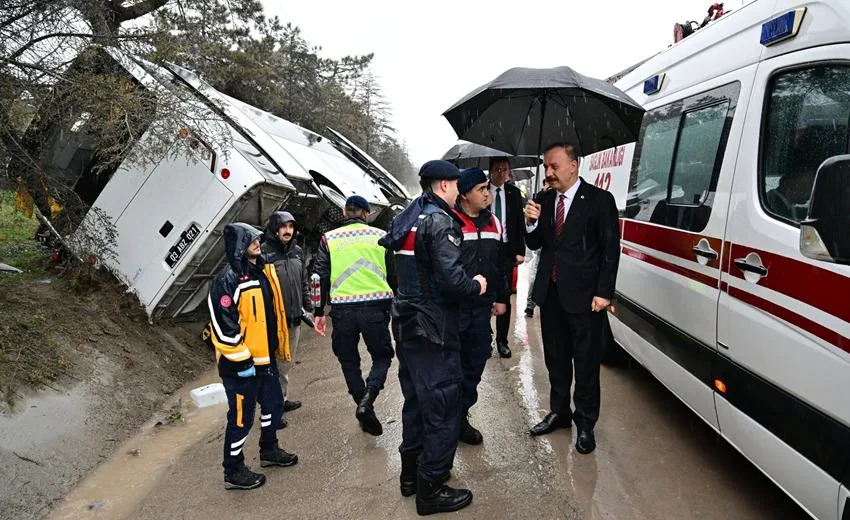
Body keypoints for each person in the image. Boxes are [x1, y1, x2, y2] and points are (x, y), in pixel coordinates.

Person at [380, 160, 486, 515]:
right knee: (442, 406)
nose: (458, 191)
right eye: (455, 184)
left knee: (415, 402)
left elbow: (393, 274)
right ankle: (432, 488)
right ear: (444, 185)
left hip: (406, 325)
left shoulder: (404, 219)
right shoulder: (440, 222)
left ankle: (410, 477)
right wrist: (477, 285)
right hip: (434, 330)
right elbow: (453, 283)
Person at [524, 143, 620, 455]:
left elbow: (609, 250)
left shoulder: (599, 200)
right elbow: (536, 243)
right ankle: (559, 413)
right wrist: (531, 222)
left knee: (587, 365)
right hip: (551, 295)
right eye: (546, 167)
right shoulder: (543, 199)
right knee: (556, 359)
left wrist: (604, 292)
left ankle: (586, 423)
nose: (548, 173)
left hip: (586, 299)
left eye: (554, 167)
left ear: (574, 165)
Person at [207, 223, 298, 490]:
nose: (257, 243)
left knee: (273, 406)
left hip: (266, 360)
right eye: (250, 240)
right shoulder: (227, 280)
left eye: (258, 238)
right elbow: (223, 326)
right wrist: (242, 359)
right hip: (240, 367)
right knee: (241, 419)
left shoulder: (262, 270)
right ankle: (233, 471)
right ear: (238, 244)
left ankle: (269, 450)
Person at [312, 195, 395, 437]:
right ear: (366, 214)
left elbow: (318, 277)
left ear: (345, 213)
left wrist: (318, 312)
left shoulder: (329, 239)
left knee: (349, 362)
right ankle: (367, 401)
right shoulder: (380, 236)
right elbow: (394, 273)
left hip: (343, 310)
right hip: (376, 307)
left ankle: (362, 405)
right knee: (381, 357)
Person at [452, 168, 509, 445]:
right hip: (454, 310)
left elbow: (500, 263)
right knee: (451, 367)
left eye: (488, 187)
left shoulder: (494, 223)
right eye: (481, 189)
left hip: (481, 311)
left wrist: (501, 297)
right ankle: (449, 420)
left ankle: (461, 414)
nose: (488, 193)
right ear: (463, 194)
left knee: (475, 364)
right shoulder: (449, 222)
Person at [262, 211, 310, 429]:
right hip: (274, 322)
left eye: (291, 226)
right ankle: (272, 411)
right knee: (274, 366)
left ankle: (281, 399)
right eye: (283, 227)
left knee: (286, 363)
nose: (287, 231)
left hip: (294, 318)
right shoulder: (264, 255)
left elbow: (303, 280)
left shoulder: (297, 252)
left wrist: (308, 305)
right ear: (274, 229)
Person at [489, 157, 526, 358]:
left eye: (505, 169)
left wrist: (521, 251)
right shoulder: (482, 191)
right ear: (491, 171)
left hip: (506, 249)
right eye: (498, 169)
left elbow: (519, 223)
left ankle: (502, 340)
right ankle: (486, 337)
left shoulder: (513, 193)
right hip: (486, 247)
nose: (502, 173)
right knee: (484, 293)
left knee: (505, 294)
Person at [524, 178, 551, 318]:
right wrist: (531, 221)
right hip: (541, 250)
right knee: (535, 277)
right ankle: (530, 305)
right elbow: (533, 240)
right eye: (546, 183)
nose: (548, 186)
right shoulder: (541, 198)